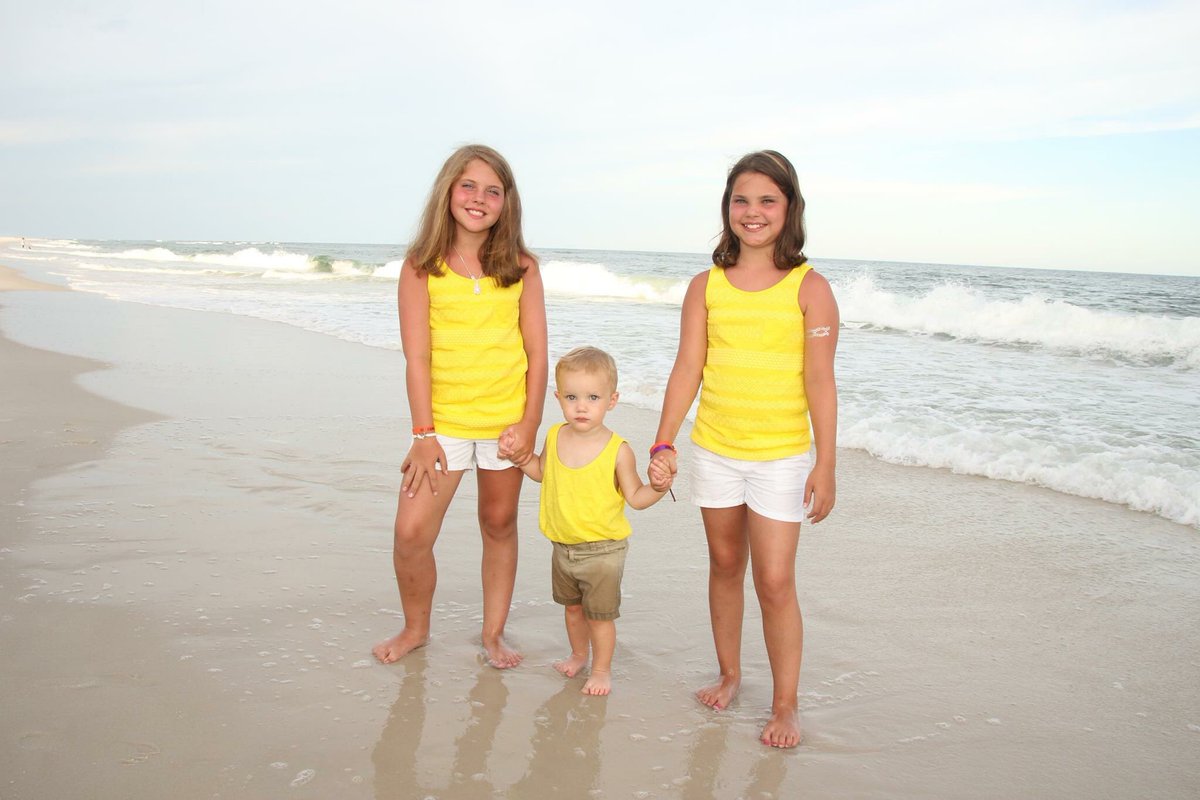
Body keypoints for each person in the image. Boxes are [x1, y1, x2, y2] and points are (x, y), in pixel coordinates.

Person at [650, 150, 839, 748]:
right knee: (725, 566)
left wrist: (826, 464)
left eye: (767, 200)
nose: (752, 212)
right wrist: (664, 439)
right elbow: (688, 368)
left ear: (790, 209)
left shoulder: (812, 289)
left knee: (775, 581)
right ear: (726, 207)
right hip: (714, 450)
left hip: (782, 457)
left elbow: (820, 382)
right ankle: (730, 675)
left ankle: (785, 703)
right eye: (741, 199)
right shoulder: (705, 287)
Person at [372, 144, 548, 669]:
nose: (479, 198)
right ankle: (416, 629)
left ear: (506, 203)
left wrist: (530, 423)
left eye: (493, 190)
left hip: (505, 425)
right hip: (442, 426)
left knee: (498, 524)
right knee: (410, 533)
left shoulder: (521, 267)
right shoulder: (421, 267)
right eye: (469, 186)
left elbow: (538, 353)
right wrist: (423, 434)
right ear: (448, 190)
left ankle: (493, 634)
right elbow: (418, 356)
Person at [504, 346, 674, 695]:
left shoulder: (618, 450)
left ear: (612, 401)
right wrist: (519, 457)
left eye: (592, 397)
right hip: (562, 547)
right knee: (572, 611)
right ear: (558, 397)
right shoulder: (554, 436)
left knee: (601, 618)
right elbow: (541, 473)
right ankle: (579, 655)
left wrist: (658, 487)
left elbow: (637, 498)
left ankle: (601, 669)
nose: (581, 406)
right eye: (572, 397)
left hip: (603, 553)